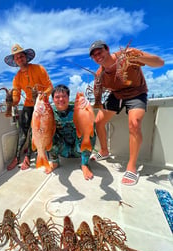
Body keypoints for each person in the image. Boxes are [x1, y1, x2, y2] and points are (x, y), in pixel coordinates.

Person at [89, 40, 164, 185]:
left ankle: (132, 167)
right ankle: (104, 151)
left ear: (107, 50)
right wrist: (97, 97)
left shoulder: (128, 56)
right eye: (94, 55)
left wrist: (138, 57)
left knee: (134, 124)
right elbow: (97, 90)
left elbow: (159, 63)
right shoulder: (100, 73)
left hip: (136, 93)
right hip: (116, 95)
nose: (98, 56)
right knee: (98, 122)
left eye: (100, 52)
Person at [4, 44, 53, 170]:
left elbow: (50, 87)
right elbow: (17, 98)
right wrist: (10, 101)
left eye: (21, 56)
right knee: (22, 131)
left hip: (42, 105)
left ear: (26, 57)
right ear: (15, 61)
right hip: (28, 106)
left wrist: (44, 94)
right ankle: (16, 157)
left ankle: (28, 157)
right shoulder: (16, 78)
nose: (20, 59)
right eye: (17, 58)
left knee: (34, 131)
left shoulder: (39, 69)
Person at [46, 84, 96, 180]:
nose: (61, 99)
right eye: (57, 97)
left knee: (90, 132)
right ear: (53, 99)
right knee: (47, 133)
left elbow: (90, 121)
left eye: (64, 96)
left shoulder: (78, 108)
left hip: (79, 150)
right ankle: (55, 161)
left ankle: (84, 164)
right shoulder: (49, 112)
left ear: (69, 97)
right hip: (62, 151)